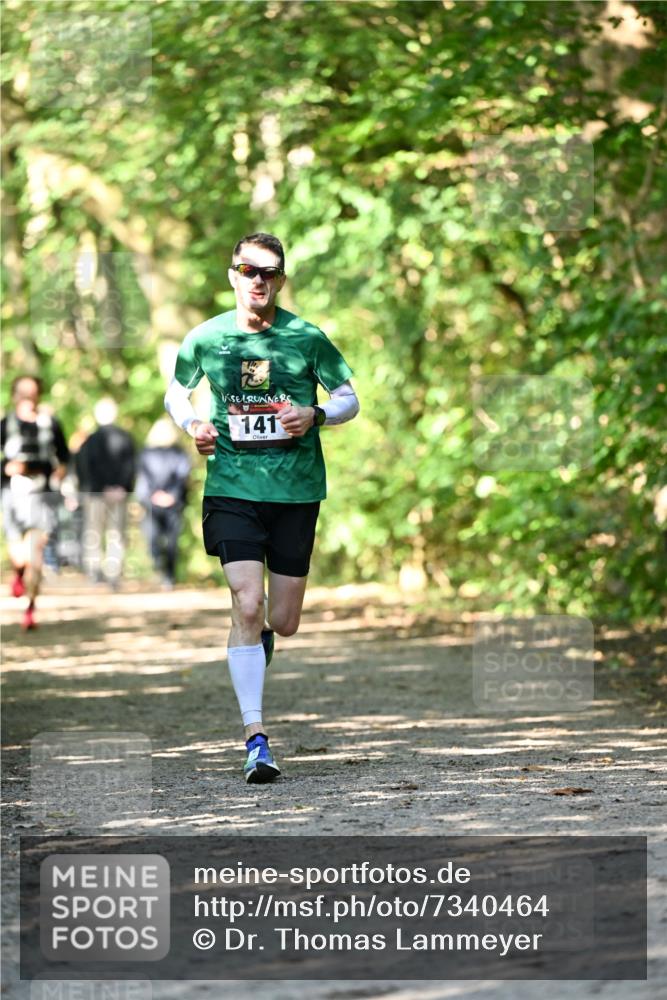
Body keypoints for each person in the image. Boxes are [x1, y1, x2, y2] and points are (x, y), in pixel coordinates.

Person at [165, 232, 359, 784]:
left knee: (283, 620)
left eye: (269, 273)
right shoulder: (205, 338)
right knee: (247, 603)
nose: (258, 281)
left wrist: (316, 414)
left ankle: (257, 638)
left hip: (296, 492)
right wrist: (194, 424)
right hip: (231, 487)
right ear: (232, 274)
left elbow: (350, 397)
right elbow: (177, 392)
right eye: (249, 270)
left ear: (280, 279)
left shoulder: (306, 336)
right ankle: (256, 739)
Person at [1, 375, 69, 630]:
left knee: (35, 553)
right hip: (13, 496)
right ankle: (18, 573)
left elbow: (64, 456)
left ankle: (30, 607)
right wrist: (6, 467)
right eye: (23, 393)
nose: (28, 399)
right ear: (15, 395)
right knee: (19, 557)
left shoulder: (50, 423)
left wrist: (60, 471)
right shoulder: (5, 424)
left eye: (32, 394)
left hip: (42, 495)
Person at [77, 398, 136, 590]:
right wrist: (121, 487)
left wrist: (102, 488)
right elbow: (131, 467)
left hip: (96, 494)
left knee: (95, 533)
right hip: (115, 494)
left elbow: (84, 468)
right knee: (115, 534)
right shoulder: (125, 437)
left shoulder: (89, 440)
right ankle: (112, 573)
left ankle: (97, 572)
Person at [136, 417, 191, 588]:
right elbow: (142, 478)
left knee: (172, 541)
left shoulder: (179, 453)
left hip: (173, 505)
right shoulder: (146, 453)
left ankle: (169, 576)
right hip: (151, 504)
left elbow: (183, 477)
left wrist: (172, 496)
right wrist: (151, 496)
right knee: (153, 539)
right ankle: (160, 566)